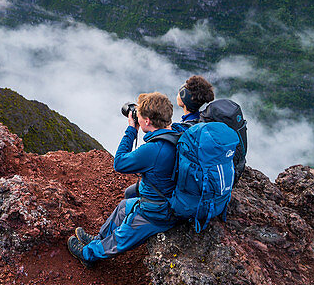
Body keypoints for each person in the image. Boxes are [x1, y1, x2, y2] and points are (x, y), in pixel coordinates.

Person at [67, 76, 215, 268]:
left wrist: (131, 129)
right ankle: (97, 239)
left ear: (146, 120)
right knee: (123, 207)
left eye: (139, 117)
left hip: (159, 211)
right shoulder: (179, 131)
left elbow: (119, 163)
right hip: (165, 199)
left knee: (121, 237)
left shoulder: (154, 150)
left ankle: (88, 254)